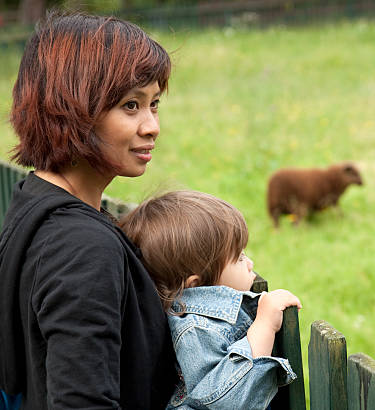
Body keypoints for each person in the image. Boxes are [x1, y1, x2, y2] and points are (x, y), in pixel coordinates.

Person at [0, 11, 178, 409]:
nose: (152, 126)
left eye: (154, 104)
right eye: (131, 105)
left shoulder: (35, 198)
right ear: (71, 110)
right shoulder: (82, 247)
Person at [119, 190, 302, 409]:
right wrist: (264, 325)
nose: (250, 263)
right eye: (239, 258)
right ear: (196, 285)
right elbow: (228, 401)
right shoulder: (196, 328)